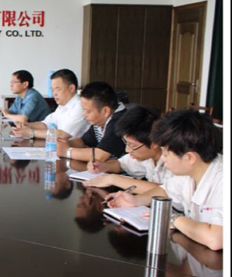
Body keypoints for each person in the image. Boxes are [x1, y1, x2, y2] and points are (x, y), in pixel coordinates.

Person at [110, 110, 222, 251]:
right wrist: (136, 200)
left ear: (190, 157)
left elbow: (216, 239)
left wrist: (172, 218)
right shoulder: (191, 171)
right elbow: (166, 190)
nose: (163, 159)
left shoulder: (222, 180)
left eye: (165, 153)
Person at [82, 105, 172, 194]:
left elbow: (167, 192)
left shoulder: (173, 159)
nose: (127, 150)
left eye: (132, 145)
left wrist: (114, 179)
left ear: (155, 143)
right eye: (126, 143)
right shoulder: (147, 156)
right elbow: (122, 165)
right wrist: (103, 166)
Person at [56, 81, 126, 163]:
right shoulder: (100, 121)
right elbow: (83, 142)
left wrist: (66, 152)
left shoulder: (119, 121)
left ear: (105, 111)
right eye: (83, 109)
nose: (84, 114)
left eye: (88, 111)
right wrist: (65, 143)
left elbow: (100, 155)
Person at [11, 69, 87, 138]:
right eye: (52, 90)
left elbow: (63, 134)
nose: (54, 94)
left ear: (71, 88)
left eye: (57, 89)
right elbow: (46, 124)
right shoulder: (62, 106)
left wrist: (31, 132)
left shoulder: (80, 106)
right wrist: (26, 125)